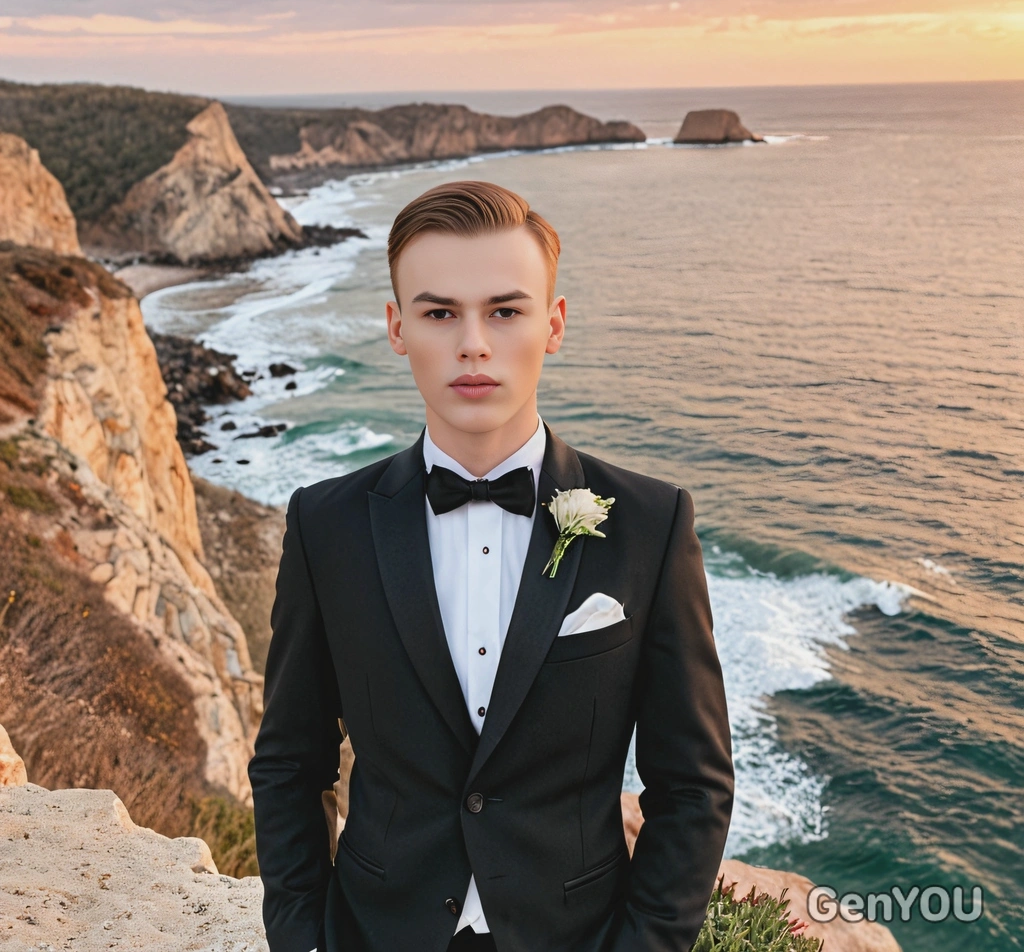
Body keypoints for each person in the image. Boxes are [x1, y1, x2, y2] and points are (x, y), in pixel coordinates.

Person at [248, 180, 734, 952]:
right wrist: (303, 937)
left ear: (555, 324)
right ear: (397, 327)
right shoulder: (325, 524)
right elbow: (288, 763)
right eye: (440, 313)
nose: (473, 343)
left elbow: (694, 785)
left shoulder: (651, 522)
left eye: (505, 311)